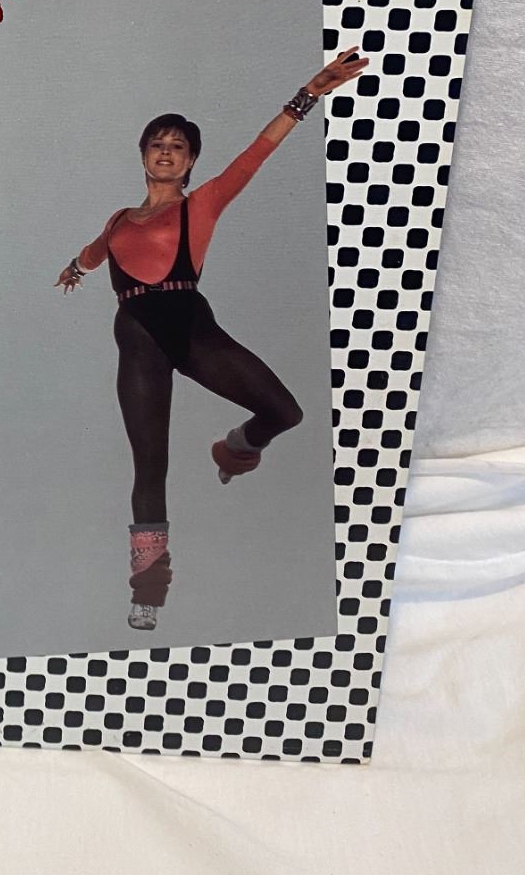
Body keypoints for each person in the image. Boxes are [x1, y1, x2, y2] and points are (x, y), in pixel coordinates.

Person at [55, 48, 368, 632]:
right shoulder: (118, 219)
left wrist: (310, 92)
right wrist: (76, 267)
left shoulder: (203, 203)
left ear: (191, 161)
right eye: (157, 144)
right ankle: (149, 590)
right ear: (143, 155)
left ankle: (235, 449)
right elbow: (97, 251)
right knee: (150, 468)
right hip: (138, 340)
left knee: (285, 411)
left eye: (178, 146)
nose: (166, 151)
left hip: (192, 330)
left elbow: (257, 153)